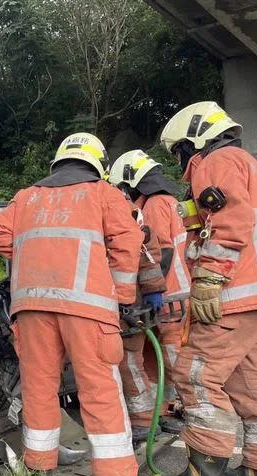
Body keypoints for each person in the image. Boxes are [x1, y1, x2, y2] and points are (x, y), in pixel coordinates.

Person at [0, 132, 145, 476]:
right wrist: (122, 296)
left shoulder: (26, 198)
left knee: (39, 386)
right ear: (98, 165)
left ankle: (39, 465)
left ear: (58, 162)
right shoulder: (103, 194)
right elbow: (127, 242)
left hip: (31, 309)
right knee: (99, 386)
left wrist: (36, 249)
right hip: (87, 309)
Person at [159, 102, 257, 476]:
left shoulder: (216, 162)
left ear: (194, 140)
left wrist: (208, 278)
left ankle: (204, 475)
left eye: (179, 152)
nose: (181, 161)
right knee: (251, 383)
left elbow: (229, 222)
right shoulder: (247, 163)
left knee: (195, 375)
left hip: (234, 293)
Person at [109, 150, 190, 439]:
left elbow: (159, 253)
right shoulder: (171, 201)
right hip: (179, 294)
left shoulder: (153, 205)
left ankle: (149, 417)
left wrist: (149, 291)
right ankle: (164, 411)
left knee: (152, 358)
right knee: (160, 361)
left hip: (163, 298)